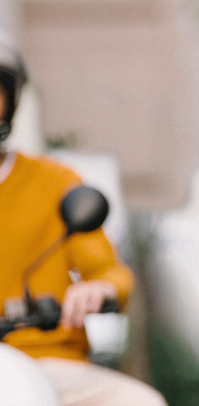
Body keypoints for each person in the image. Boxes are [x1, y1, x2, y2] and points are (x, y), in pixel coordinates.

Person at [0, 32, 166, 406]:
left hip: (50, 365)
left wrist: (99, 289)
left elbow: (112, 273)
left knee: (140, 402)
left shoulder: (56, 183)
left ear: (10, 100)